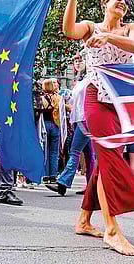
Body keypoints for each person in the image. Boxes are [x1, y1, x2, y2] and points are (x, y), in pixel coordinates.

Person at [62, 0, 134, 256]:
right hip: (95, 97)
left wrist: (109, 39)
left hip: (121, 102)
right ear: (105, 3)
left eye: (125, 0)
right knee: (111, 156)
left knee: (104, 161)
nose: (121, 2)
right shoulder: (91, 27)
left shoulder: (131, 28)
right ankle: (112, 230)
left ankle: (84, 220)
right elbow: (69, 30)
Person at [45, 50, 95, 196]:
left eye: (80, 60)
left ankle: (63, 183)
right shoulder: (79, 81)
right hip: (78, 118)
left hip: (85, 119)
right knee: (88, 155)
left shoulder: (90, 78)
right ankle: (91, 186)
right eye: (75, 61)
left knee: (74, 151)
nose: (78, 63)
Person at [40, 78, 61, 184]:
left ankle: (45, 175)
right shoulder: (58, 98)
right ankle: (53, 175)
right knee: (54, 152)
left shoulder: (41, 99)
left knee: (45, 151)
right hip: (55, 125)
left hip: (44, 125)